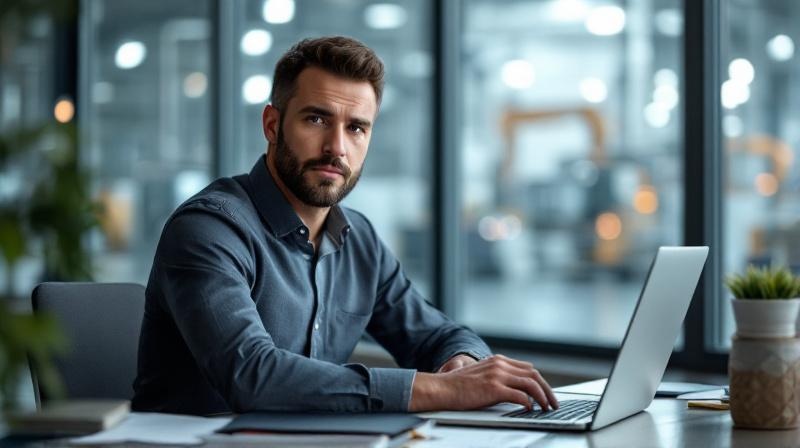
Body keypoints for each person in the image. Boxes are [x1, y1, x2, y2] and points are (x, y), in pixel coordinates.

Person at [131, 36, 558, 415]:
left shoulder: (358, 240)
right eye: (316, 119)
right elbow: (251, 376)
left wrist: (462, 363)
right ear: (272, 125)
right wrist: (440, 390)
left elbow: (436, 334)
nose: (337, 147)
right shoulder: (209, 230)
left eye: (356, 128)